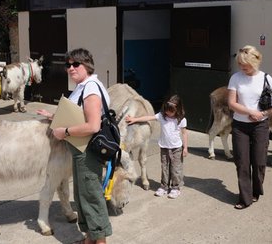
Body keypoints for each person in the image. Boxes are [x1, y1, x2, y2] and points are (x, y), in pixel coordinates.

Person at [36, 48, 111, 244]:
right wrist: (53, 116)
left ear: (87, 65)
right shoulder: (83, 86)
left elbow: (93, 125)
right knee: (82, 197)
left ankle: (100, 241)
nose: (70, 68)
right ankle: (89, 239)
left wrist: (65, 132)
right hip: (80, 151)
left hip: (88, 152)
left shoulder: (91, 88)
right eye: (68, 65)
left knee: (91, 197)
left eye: (75, 64)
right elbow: (78, 115)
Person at [227, 45, 272, 210]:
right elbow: (232, 103)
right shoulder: (235, 78)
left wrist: (264, 113)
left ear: (256, 62)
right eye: (240, 65)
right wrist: (249, 111)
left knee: (259, 162)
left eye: (247, 65)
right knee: (242, 163)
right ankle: (245, 198)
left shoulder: (266, 77)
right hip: (240, 126)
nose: (243, 68)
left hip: (260, 125)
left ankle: (256, 191)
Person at [125, 95, 188, 199]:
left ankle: (175, 188)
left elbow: (184, 133)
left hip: (176, 148)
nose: (168, 113)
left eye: (171, 111)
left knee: (175, 169)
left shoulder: (181, 120)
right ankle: (164, 186)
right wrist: (135, 119)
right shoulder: (162, 116)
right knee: (164, 167)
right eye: (167, 110)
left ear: (178, 109)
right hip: (164, 147)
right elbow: (149, 117)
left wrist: (185, 148)